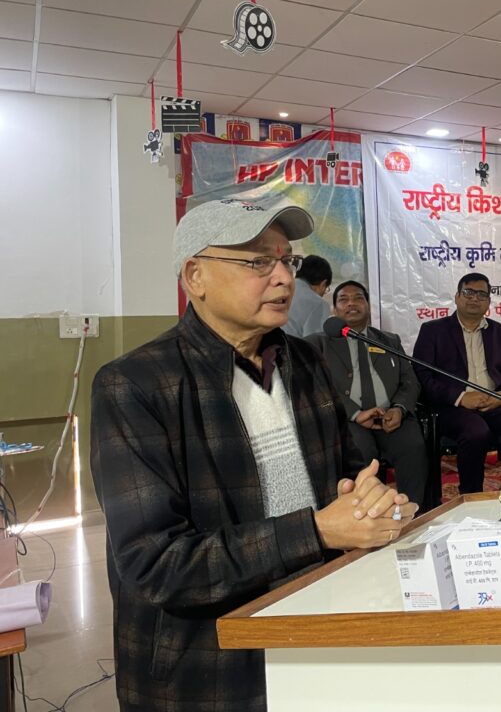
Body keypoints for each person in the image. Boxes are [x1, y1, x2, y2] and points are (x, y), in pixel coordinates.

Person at [90, 198, 416, 712]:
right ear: (195, 276)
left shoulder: (304, 360)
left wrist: (368, 496)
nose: (284, 278)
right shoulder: (135, 385)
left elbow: (347, 470)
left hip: (317, 625)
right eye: (259, 261)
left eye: (287, 260)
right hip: (208, 663)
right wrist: (318, 531)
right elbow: (156, 564)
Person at [413, 272, 501, 494]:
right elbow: (422, 375)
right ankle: (471, 495)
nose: (475, 298)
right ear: (457, 297)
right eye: (469, 292)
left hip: (492, 403)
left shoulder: (499, 332)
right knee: (476, 432)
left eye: (482, 294)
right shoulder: (433, 330)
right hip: (452, 407)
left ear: (488, 301)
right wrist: (461, 397)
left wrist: (500, 397)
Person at [305, 280, 428, 508]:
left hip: (390, 415)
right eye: (344, 299)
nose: (351, 303)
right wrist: (354, 413)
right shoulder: (317, 343)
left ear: (368, 306)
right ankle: (365, 514)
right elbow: (315, 386)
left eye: (358, 298)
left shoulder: (389, 340)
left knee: (413, 446)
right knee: (361, 452)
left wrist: (399, 408)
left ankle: (413, 512)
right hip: (347, 419)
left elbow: (410, 381)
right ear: (334, 309)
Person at [283, 253, 331, 337]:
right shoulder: (318, 304)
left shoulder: (279, 289)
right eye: (326, 289)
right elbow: (315, 342)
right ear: (323, 284)